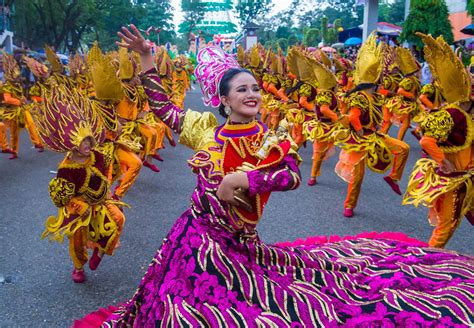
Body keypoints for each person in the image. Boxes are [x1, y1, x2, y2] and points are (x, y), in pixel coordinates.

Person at [81, 26, 473, 327]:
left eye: (255, 88)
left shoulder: (271, 136)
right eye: (242, 90)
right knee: (175, 304)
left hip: (244, 243)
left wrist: (245, 181)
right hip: (194, 237)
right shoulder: (204, 128)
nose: (252, 94)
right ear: (223, 99)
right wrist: (147, 57)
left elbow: (289, 177)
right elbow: (164, 109)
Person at [36, 83, 126, 283]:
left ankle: (100, 253)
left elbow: (104, 175)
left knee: (119, 218)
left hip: (99, 201)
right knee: (77, 238)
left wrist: (107, 193)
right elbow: (63, 200)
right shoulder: (66, 169)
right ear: (73, 145)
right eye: (83, 142)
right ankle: (78, 267)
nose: (88, 145)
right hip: (78, 207)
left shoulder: (98, 157)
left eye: (89, 140)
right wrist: (81, 206)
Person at [403, 33, 473, 249]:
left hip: (467, 177)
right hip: (453, 178)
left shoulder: (465, 116)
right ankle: (424, 264)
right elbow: (426, 142)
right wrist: (445, 161)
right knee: (447, 225)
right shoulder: (451, 115)